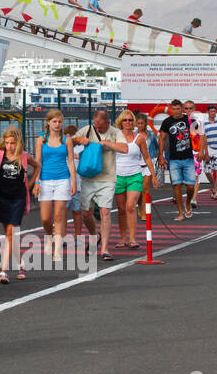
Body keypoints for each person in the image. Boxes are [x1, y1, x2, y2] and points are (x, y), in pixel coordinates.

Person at [71, 108, 129, 261]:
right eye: (96, 126)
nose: (98, 129)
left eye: (101, 127)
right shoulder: (88, 129)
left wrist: (106, 143)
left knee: (105, 212)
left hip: (107, 179)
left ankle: (104, 249)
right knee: (85, 212)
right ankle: (94, 235)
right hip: (88, 179)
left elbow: (124, 148)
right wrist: (79, 140)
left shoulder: (115, 132)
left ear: (108, 123)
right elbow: (69, 141)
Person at [30, 109, 75, 262]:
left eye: (60, 121)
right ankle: (49, 237)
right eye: (54, 121)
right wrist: (36, 182)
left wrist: (74, 182)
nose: (57, 124)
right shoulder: (41, 139)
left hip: (63, 179)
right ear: (48, 122)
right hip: (45, 180)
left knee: (59, 216)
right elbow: (38, 162)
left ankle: (57, 251)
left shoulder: (67, 139)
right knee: (45, 219)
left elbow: (70, 161)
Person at [0, 126, 34, 283]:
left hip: (18, 198)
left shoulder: (24, 156)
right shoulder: (0, 155)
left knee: (10, 233)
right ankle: (21, 265)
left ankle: (3, 271)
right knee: (10, 236)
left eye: (13, 143)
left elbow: (37, 166)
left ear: (18, 143)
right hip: (3, 197)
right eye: (7, 143)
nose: (10, 146)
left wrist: (30, 185)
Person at [112, 111, 155, 249]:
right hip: (118, 176)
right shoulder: (114, 137)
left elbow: (147, 157)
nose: (128, 122)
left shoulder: (140, 138)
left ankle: (132, 239)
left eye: (130, 120)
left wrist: (153, 175)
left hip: (135, 176)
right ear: (121, 122)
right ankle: (122, 238)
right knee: (121, 209)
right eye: (125, 120)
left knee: (130, 206)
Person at [159, 100, 197, 220]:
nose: (176, 111)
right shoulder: (167, 122)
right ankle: (180, 213)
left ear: (182, 108)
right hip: (174, 159)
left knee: (191, 186)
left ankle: (187, 203)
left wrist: (201, 151)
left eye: (178, 109)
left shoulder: (190, 120)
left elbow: (199, 135)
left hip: (188, 157)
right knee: (177, 186)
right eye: (173, 109)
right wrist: (161, 156)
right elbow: (161, 139)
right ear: (171, 109)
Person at [64, 123, 95, 250]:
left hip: (76, 184)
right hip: (67, 184)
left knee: (75, 212)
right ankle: (67, 236)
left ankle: (75, 236)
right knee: (66, 213)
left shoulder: (80, 148)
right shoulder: (64, 148)